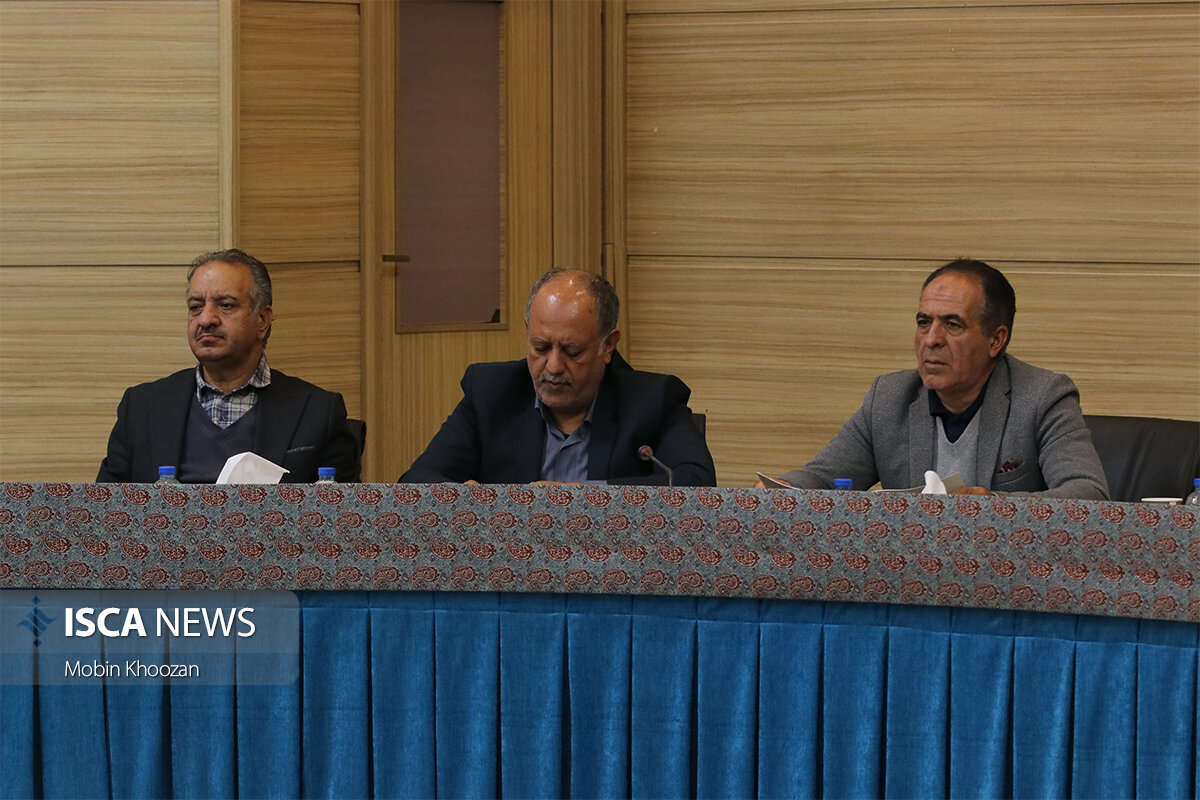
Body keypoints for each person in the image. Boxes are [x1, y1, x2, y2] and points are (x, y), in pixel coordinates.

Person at [760, 259, 1108, 499]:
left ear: (996, 340)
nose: (931, 340)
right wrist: (778, 489)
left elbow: (1088, 495)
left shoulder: (1043, 397)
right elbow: (822, 478)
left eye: (952, 325)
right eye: (924, 322)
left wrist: (993, 505)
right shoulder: (889, 398)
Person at [401, 269, 716, 485]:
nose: (552, 366)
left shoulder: (654, 400)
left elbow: (696, 484)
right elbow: (416, 482)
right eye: (540, 347)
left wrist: (576, 500)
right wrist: (460, 496)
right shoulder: (490, 393)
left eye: (572, 351)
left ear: (608, 345)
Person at [96, 249, 360, 483]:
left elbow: (344, 517)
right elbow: (105, 512)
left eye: (225, 305)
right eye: (196, 307)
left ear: (262, 320)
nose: (206, 319)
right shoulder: (141, 409)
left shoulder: (318, 412)